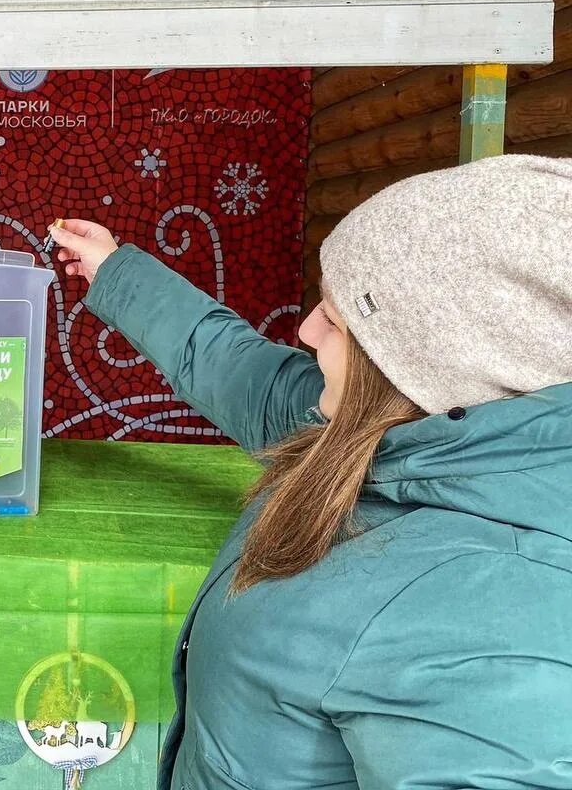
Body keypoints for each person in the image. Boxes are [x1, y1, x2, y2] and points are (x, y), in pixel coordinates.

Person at [50, 154, 572, 790]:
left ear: (422, 362)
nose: (304, 328)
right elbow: (246, 373)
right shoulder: (379, 432)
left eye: (338, 318)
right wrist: (118, 271)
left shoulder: (502, 614)